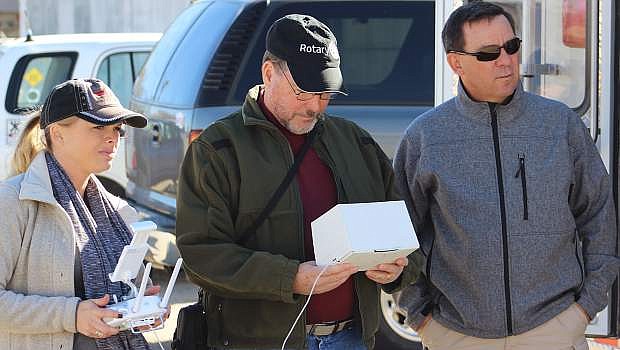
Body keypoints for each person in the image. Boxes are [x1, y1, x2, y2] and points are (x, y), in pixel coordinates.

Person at [176, 14, 420, 350]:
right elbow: (200, 256)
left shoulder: (356, 143)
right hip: (256, 342)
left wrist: (398, 270)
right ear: (268, 73)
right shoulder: (217, 150)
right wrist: (289, 278)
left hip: (351, 338)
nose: (316, 106)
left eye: (326, 93)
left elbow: (408, 231)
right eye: (305, 91)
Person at [394, 2, 618, 350]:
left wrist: (585, 309)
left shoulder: (561, 126)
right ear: (456, 63)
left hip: (554, 330)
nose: (505, 60)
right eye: (488, 53)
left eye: (511, 47)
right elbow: (398, 237)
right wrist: (420, 316)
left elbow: (599, 215)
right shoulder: (425, 138)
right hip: (457, 336)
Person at [0, 78, 163, 350]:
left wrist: (137, 308)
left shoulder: (117, 211)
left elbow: (122, 294)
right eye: (98, 126)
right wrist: (72, 316)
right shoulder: (13, 202)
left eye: (116, 128)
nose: (112, 137)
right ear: (57, 133)